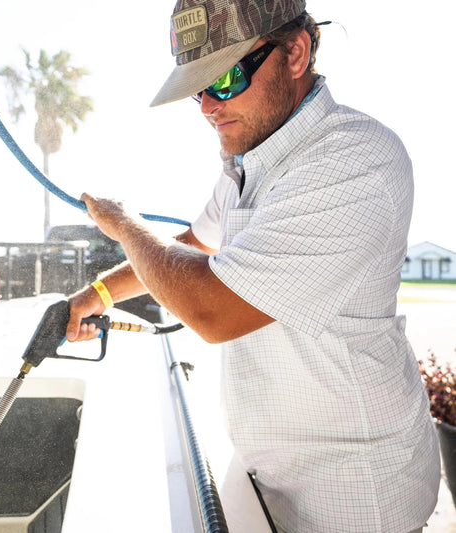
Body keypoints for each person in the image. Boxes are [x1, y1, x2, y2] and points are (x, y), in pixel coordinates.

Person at [66, 1, 440, 531]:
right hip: (272, 479)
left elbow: (213, 309)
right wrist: (98, 294)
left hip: (353, 496)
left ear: (296, 53)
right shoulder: (250, 162)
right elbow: (192, 246)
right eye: (199, 88)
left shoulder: (355, 158)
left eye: (224, 79)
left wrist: (126, 225)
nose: (207, 106)